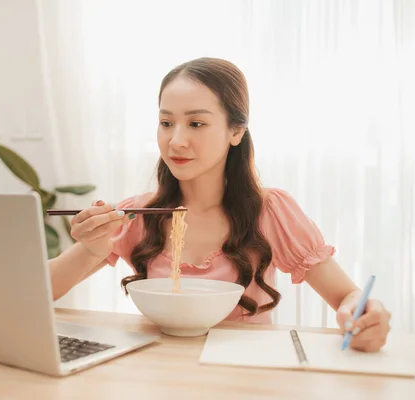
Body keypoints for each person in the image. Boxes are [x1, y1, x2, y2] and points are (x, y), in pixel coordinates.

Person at [47, 57, 391, 352]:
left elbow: (346, 296)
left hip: (244, 379)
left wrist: (364, 314)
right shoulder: (136, 214)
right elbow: (41, 291)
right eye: (166, 123)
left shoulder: (271, 211)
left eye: (196, 123)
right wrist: (91, 249)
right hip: (157, 376)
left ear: (236, 131)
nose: (176, 140)